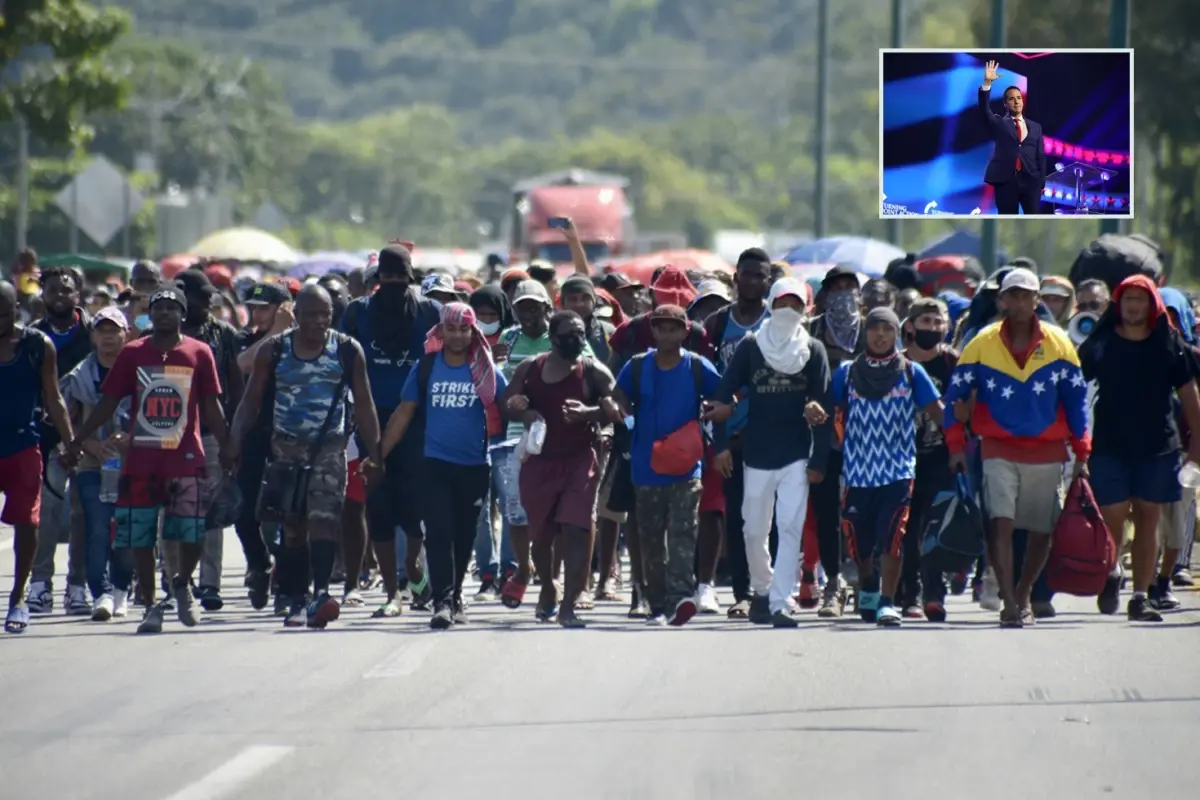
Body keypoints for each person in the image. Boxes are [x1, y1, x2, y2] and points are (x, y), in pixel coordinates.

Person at [69, 285, 231, 634]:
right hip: (141, 461)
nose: (164, 313)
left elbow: (211, 405)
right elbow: (109, 401)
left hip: (185, 458)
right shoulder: (133, 353)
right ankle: (151, 605)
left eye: (172, 307)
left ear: (182, 314)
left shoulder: (199, 352)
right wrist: (78, 440)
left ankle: (182, 583)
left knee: (191, 531)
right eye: (158, 307)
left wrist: (229, 446)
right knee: (139, 536)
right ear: (149, 314)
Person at [943, 268, 1090, 628]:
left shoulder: (1059, 342)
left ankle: (1023, 594)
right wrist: (956, 447)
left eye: (1027, 295)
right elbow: (954, 396)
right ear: (1002, 300)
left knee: (1042, 531)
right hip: (997, 448)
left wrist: (1082, 452)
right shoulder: (981, 342)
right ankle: (1009, 602)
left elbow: (1076, 402)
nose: (1021, 302)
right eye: (1014, 295)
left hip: (1047, 450)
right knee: (1000, 524)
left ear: (1037, 300)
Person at [230, 285, 381, 628]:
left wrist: (375, 455)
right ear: (295, 316)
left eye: (324, 314)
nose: (318, 321)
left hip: (329, 448)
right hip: (285, 451)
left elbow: (365, 403)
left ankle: (321, 594)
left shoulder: (347, 350)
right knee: (293, 527)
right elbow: (251, 401)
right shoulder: (274, 349)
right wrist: (234, 442)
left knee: (324, 520)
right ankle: (297, 596)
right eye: (310, 314)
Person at [708, 279, 832, 627]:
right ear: (771, 305)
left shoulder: (813, 350)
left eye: (796, 305)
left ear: (805, 309)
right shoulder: (751, 346)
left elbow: (824, 404)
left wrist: (819, 459)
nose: (788, 311)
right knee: (753, 529)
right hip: (757, 453)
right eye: (782, 304)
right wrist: (720, 447)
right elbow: (721, 398)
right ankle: (762, 589)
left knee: (789, 526)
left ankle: (781, 602)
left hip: (797, 453)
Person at [1078, 275, 1200, 622]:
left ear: (1152, 305)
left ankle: (1140, 596)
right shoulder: (1100, 343)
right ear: (1118, 304)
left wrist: (1196, 449)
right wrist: (1075, 443)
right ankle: (1112, 569)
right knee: (1113, 516)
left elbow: (1190, 397)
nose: (1133, 306)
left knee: (1149, 516)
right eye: (1128, 299)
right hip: (1109, 445)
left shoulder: (1169, 345)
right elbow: (1075, 390)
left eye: (1140, 299)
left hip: (1158, 446)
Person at [382, 303, 507, 629]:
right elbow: (404, 412)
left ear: (473, 332)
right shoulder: (426, 366)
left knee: (464, 535)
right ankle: (442, 602)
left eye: (464, 329)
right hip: (434, 464)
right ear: (440, 331)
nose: (458, 335)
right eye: (451, 329)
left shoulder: (485, 368)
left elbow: (508, 402)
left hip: (475, 465)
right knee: (438, 532)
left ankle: (456, 596)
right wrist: (378, 454)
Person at [340, 244, 441, 618]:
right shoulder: (357, 312)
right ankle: (391, 592)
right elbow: (343, 364)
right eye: (388, 276)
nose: (395, 282)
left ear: (411, 276)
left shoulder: (430, 311)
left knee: (415, 507)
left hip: (418, 421)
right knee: (378, 506)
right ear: (377, 278)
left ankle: (413, 567)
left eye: (401, 276)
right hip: (371, 420)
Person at [826, 307, 943, 627]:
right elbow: (828, 411)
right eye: (875, 329)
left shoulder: (911, 372)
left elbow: (940, 413)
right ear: (865, 333)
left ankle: (888, 601)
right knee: (859, 540)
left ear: (898, 334)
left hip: (898, 469)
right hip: (857, 470)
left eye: (887, 329)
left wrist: (965, 435)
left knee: (893, 536)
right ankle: (868, 587)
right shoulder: (847, 373)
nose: (880, 335)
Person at [505, 311, 616, 627]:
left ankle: (569, 604)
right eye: (569, 334)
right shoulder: (531, 368)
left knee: (576, 528)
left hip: (580, 460)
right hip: (539, 462)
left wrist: (589, 413)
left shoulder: (593, 371)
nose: (577, 340)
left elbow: (619, 408)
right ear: (553, 338)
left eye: (581, 333)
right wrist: (522, 409)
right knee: (541, 537)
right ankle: (547, 586)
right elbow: (506, 402)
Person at [614, 304, 723, 626]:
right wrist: (620, 411)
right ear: (652, 330)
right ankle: (658, 603)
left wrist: (716, 411)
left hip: (687, 468)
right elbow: (617, 395)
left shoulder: (697, 366)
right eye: (660, 327)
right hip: (645, 467)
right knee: (651, 540)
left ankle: (680, 598)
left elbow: (725, 396)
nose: (666, 333)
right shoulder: (637, 366)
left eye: (673, 328)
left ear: (684, 331)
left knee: (683, 535)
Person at [0, 281, 75, 633]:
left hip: (23, 446)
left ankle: (18, 599)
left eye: (3, 314)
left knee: (27, 524)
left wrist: (70, 442)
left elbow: (54, 397)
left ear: (17, 310)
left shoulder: (36, 345)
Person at [703, 249, 774, 618]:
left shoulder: (776, 322)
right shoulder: (717, 323)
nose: (752, 281)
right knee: (737, 515)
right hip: (728, 435)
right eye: (746, 274)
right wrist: (718, 438)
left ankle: (772, 589)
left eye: (759, 276)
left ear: (768, 282)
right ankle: (743, 593)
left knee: (770, 515)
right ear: (736, 278)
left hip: (770, 434)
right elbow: (710, 384)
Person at [58, 306, 134, 622]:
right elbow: (64, 420)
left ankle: (121, 590)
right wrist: (89, 444)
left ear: (126, 335)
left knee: (128, 531)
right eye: (102, 330)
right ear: (93, 336)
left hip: (131, 465)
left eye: (114, 330)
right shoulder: (78, 377)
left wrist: (131, 436)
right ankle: (100, 594)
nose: (108, 337)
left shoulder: (139, 373)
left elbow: (154, 414)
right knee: (97, 529)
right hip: (91, 465)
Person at [176, 268, 244, 612]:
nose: (204, 304)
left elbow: (236, 385)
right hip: (170, 434)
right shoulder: (161, 335)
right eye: (197, 298)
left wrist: (234, 437)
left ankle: (210, 583)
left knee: (212, 508)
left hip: (212, 432)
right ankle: (178, 579)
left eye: (207, 299)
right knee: (176, 507)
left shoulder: (224, 335)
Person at [28, 265, 92, 616]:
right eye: (53, 290)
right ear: (43, 294)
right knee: (48, 513)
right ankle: (40, 584)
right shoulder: (33, 337)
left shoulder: (94, 332)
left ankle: (77, 586)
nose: (60, 296)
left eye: (66, 290)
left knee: (83, 514)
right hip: (47, 437)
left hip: (89, 437)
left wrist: (79, 436)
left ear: (77, 294)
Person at [233, 282, 293, 611]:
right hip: (253, 435)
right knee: (244, 513)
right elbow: (243, 363)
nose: (256, 314)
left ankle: (287, 583)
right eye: (253, 308)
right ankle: (259, 565)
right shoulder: (246, 339)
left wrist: (285, 332)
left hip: (289, 435)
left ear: (283, 309)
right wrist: (275, 332)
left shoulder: (299, 341)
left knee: (287, 514)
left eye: (264, 308)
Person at [899, 298, 959, 620]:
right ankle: (911, 593)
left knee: (937, 525)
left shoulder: (953, 363)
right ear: (910, 326)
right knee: (908, 528)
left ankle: (935, 593)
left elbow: (962, 410)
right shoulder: (898, 363)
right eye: (926, 322)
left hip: (942, 455)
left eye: (939, 323)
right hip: (901, 458)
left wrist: (959, 450)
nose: (933, 328)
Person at [978, 60, 1046, 215]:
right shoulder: (999, 122)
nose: (1016, 101)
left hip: (1031, 181)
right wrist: (987, 83)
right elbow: (984, 110)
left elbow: (1040, 156)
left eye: (1019, 98)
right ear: (1005, 104)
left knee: (1033, 221)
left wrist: (1041, 182)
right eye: (1012, 99)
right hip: (1005, 181)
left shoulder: (1036, 127)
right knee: (1007, 219)